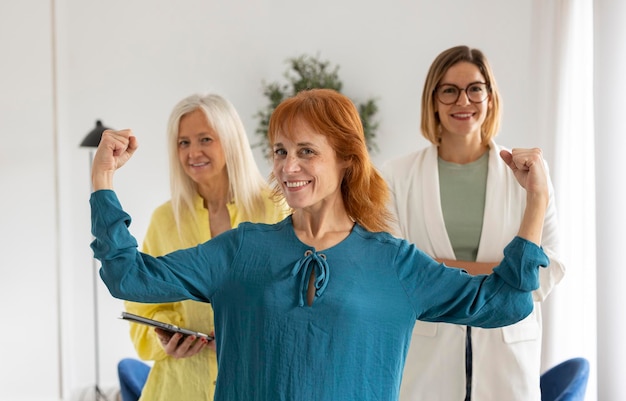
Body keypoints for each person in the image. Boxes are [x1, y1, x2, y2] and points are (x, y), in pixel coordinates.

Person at [90, 88, 551, 401]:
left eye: (306, 151)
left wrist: (537, 200)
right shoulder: (240, 250)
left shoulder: (394, 263)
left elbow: (506, 303)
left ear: (347, 160)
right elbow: (127, 275)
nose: (289, 167)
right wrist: (103, 179)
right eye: (280, 151)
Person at [382, 46, 565, 401]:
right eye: (449, 90)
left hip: (508, 364)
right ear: (433, 100)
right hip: (426, 365)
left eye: (475, 89)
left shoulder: (530, 176)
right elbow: (395, 273)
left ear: (490, 97)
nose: (462, 101)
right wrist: (505, 276)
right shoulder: (394, 176)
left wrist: (437, 269)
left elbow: (549, 271)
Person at [123, 93, 290, 401]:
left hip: (256, 384)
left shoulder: (277, 210)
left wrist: (245, 334)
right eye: (183, 142)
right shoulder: (164, 219)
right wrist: (164, 336)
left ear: (229, 141)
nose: (193, 152)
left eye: (205, 139)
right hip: (178, 387)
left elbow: (294, 301)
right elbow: (140, 303)